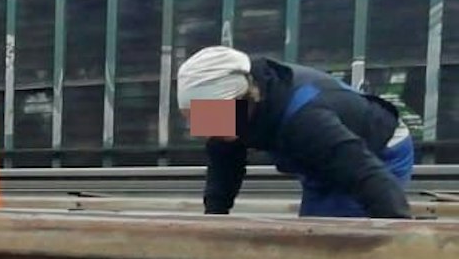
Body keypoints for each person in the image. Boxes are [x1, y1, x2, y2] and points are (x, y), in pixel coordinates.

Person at [173, 46, 414, 219]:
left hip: (379, 151)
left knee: (341, 242)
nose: (201, 131)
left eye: (207, 120)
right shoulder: (234, 113)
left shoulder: (306, 118)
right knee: (314, 233)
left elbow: (367, 176)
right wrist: (214, 218)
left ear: (242, 100)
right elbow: (224, 164)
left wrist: (399, 239)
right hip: (323, 160)